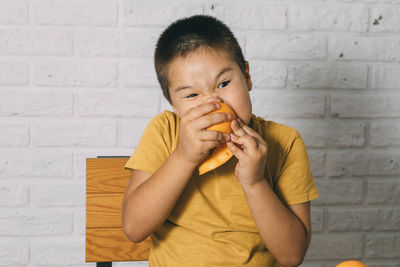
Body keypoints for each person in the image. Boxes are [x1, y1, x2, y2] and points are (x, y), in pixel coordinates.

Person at [121, 14, 319, 267]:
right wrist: (184, 157)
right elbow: (134, 229)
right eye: (192, 95)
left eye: (223, 83)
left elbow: (292, 256)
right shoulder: (165, 131)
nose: (214, 104)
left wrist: (255, 182)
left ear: (246, 76)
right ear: (173, 103)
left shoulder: (286, 142)